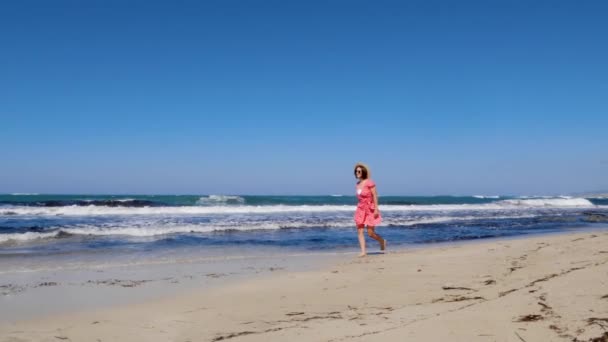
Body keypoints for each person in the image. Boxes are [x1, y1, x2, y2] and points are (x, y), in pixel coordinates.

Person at [353, 163, 386, 257]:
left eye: (359, 171)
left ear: (363, 172)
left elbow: (375, 195)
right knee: (359, 231)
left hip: (370, 209)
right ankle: (363, 252)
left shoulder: (369, 182)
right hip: (360, 209)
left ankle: (382, 241)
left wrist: (376, 208)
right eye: (356, 171)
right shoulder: (357, 184)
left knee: (370, 233)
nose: (357, 172)